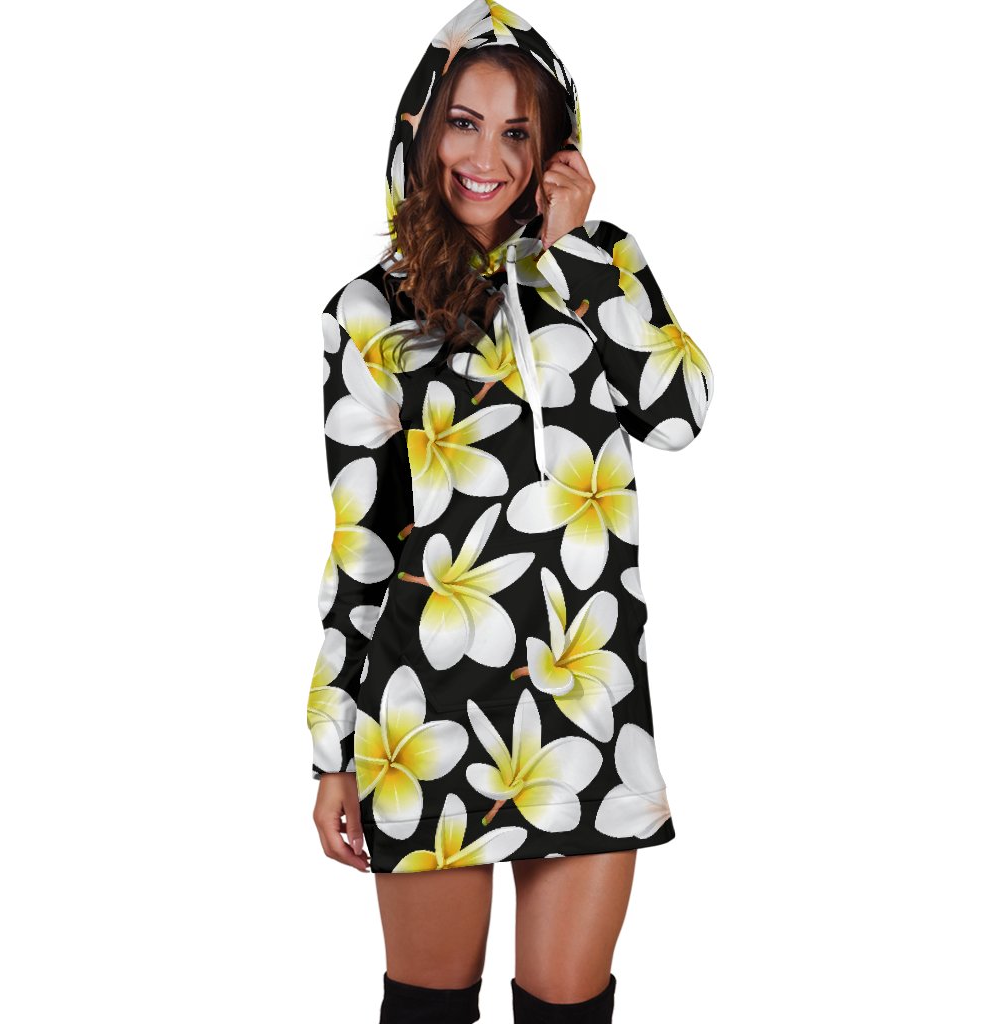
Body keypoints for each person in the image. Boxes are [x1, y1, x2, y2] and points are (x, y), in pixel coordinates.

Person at [306, 3, 714, 1021]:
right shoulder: (368, 310)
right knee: (429, 1011)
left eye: (517, 132)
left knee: (568, 1007)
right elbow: (362, 543)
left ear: (553, 148)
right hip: (425, 711)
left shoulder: (602, 263)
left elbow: (678, 416)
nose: (486, 157)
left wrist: (572, 253)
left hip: (586, 702)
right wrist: (331, 747)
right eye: (463, 122)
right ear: (421, 128)